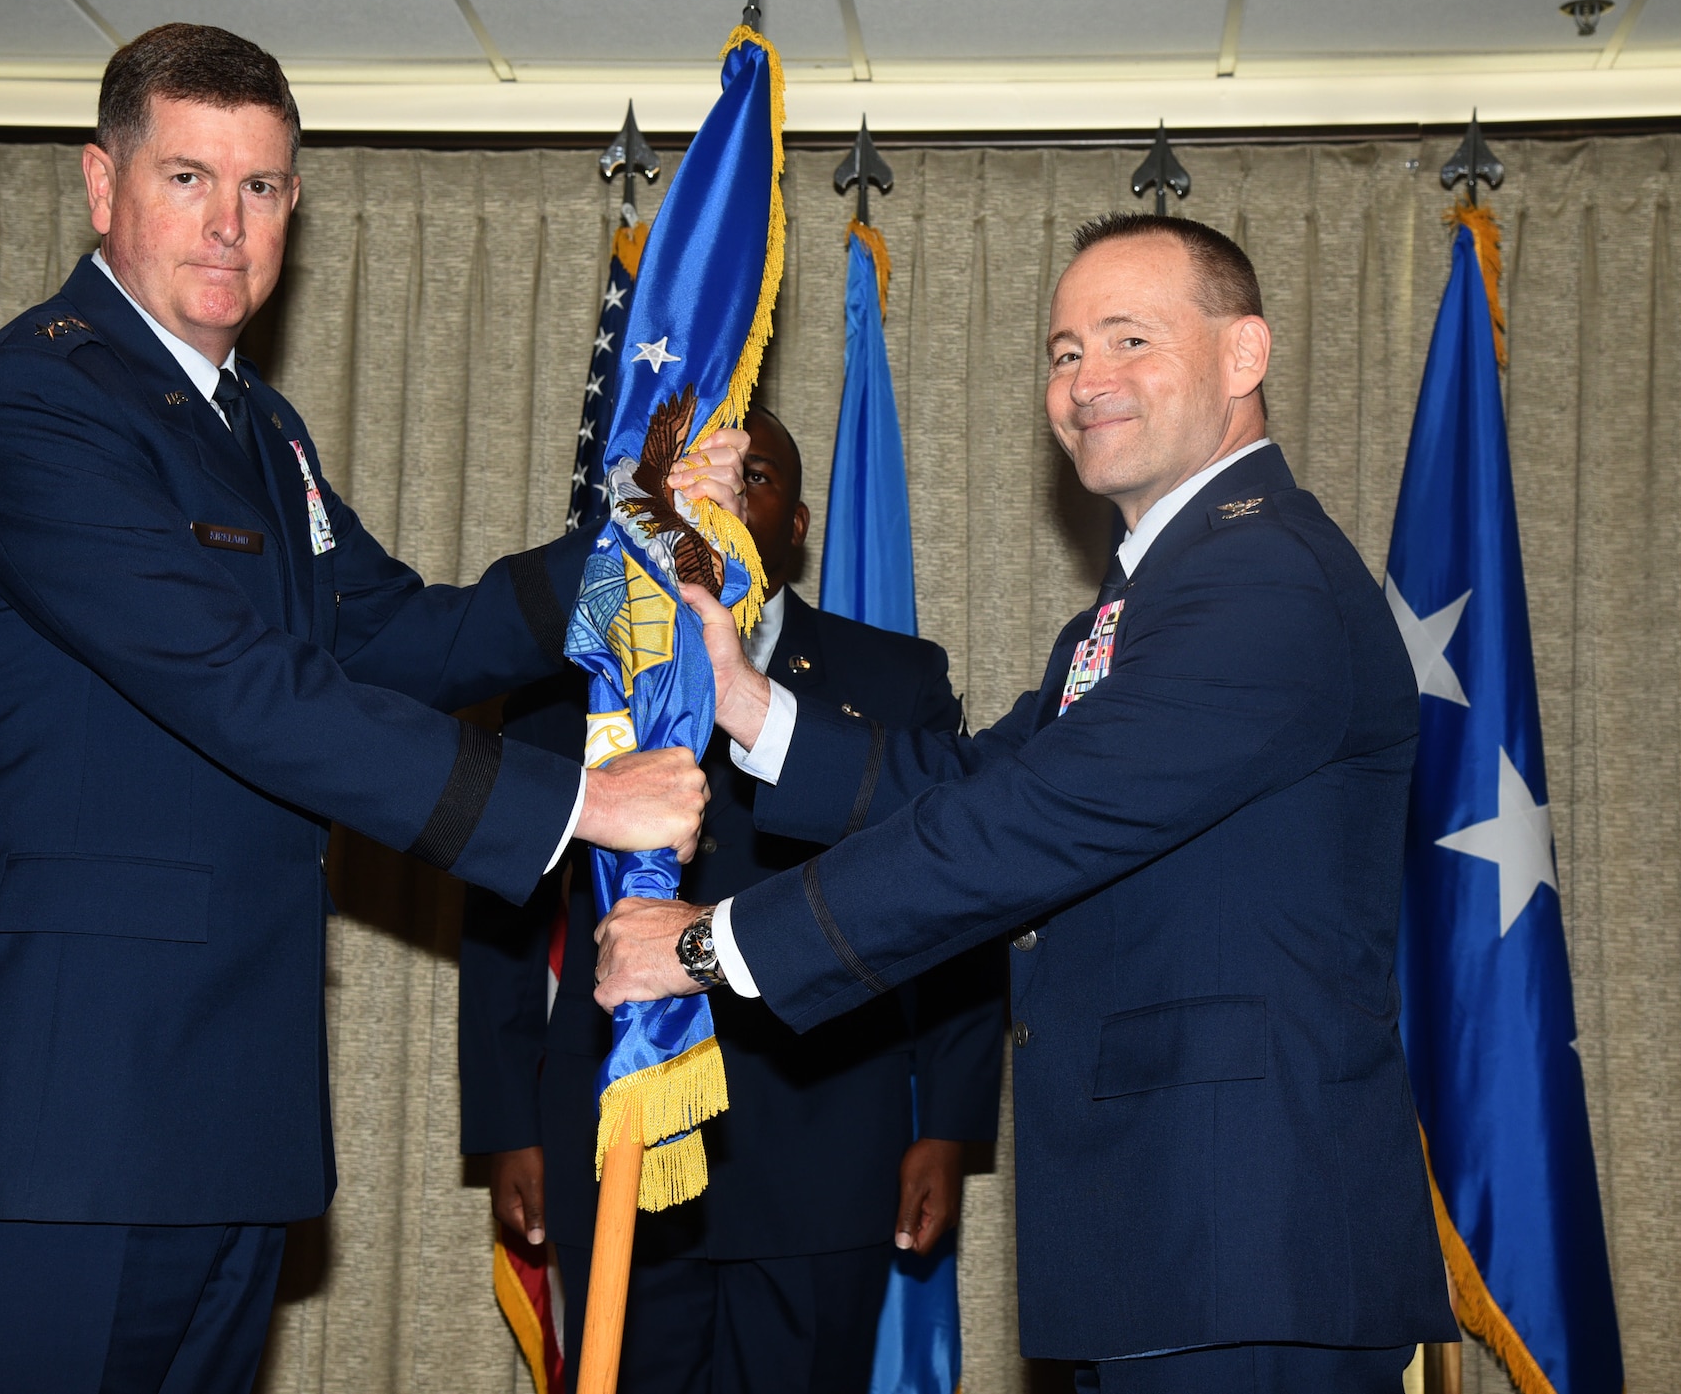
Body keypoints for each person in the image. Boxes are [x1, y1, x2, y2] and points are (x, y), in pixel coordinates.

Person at [0, 23, 743, 1394]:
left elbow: (394, 633)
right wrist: (576, 802)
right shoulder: (33, 401)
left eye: (263, 188)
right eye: (187, 180)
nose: (229, 226)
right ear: (101, 186)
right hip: (57, 1122)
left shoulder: (260, 430)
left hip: (230, 1114)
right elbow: (237, 684)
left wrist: (629, 535)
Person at [594, 214, 1462, 1393]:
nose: (1084, 380)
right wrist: (751, 707)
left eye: (1128, 339)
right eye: (1062, 352)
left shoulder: (1263, 581)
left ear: (1242, 355)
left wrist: (709, 945)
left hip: (1244, 1239)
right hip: (1165, 1234)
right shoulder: (1163, 583)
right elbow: (981, 779)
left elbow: (1025, 828)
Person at [460, 407, 1004, 1394]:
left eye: (751, 475)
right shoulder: (568, 674)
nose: (718, 494)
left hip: (823, 1131)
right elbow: (503, 908)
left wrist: (948, 1120)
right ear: (652, 500)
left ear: (793, 522)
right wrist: (506, 1121)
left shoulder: (892, 676)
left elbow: (956, 903)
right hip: (616, 1128)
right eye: (692, 470)